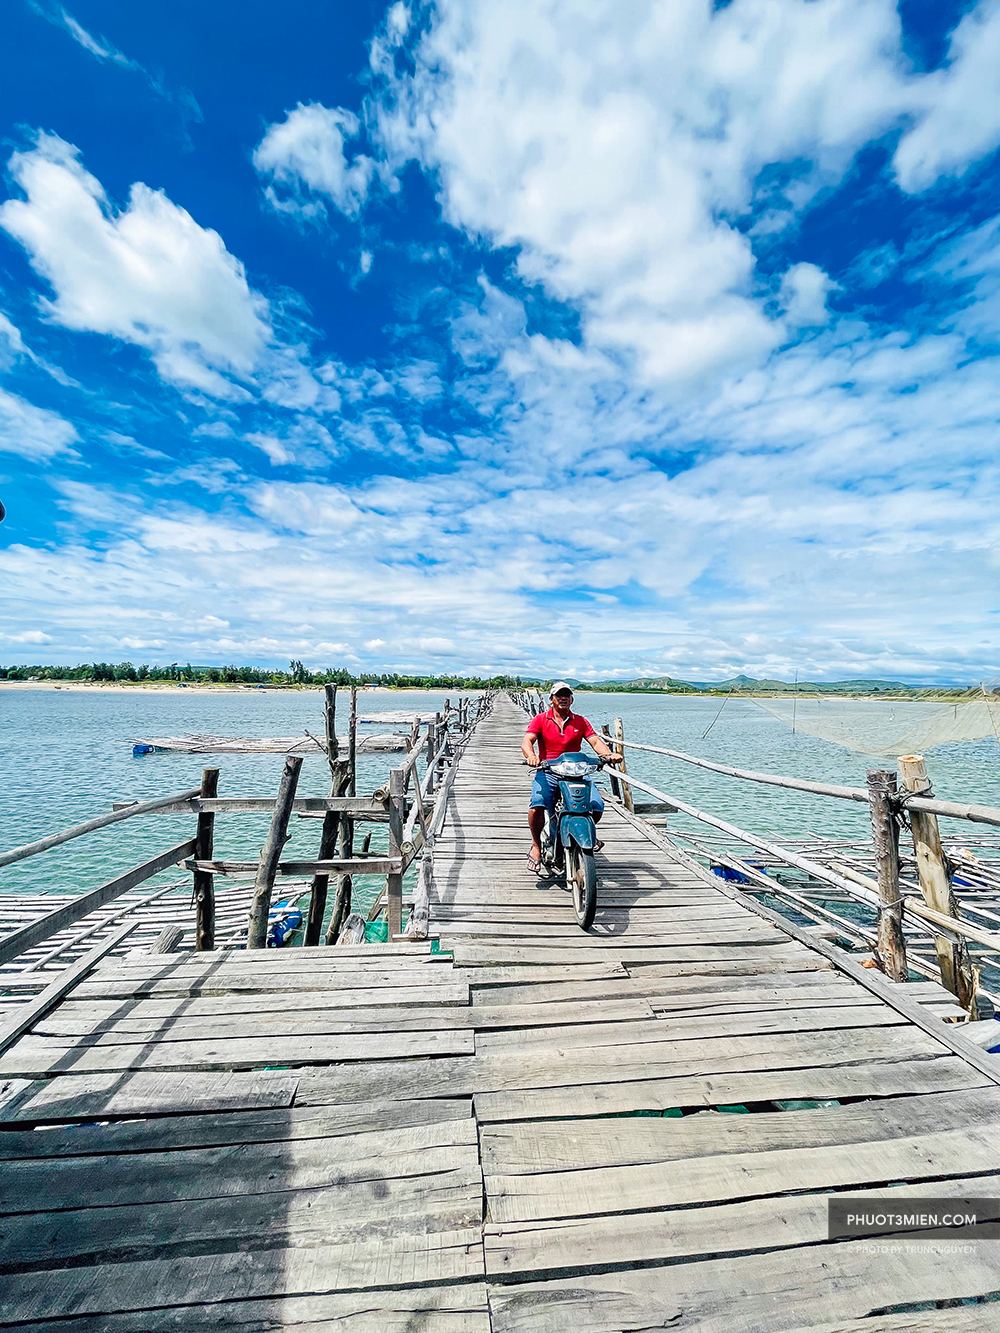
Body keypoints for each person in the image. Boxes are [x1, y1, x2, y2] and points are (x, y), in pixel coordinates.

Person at [521, 682, 620, 874]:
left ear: (572, 699)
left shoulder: (580, 721)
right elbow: (528, 740)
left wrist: (608, 755)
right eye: (559, 695)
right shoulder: (541, 719)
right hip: (548, 771)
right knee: (536, 806)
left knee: (597, 805)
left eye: (567, 695)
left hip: (576, 773)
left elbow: (594, 741)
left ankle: (586, 831)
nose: (563, 698)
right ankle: (536, 846)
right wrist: (531, 756)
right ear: (552, 699)